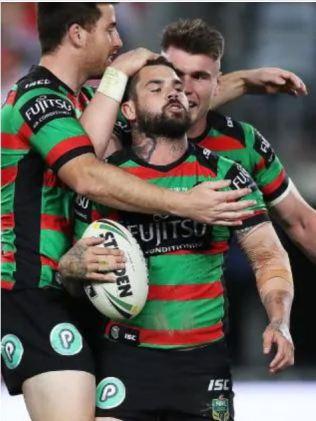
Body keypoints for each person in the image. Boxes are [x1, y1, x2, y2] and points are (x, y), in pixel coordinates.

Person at [1, 6, 256, 421]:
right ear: (78, 34)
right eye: (111, 29)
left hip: (84, 285)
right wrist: (184, 203)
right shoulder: (36, 99)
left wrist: (244, 82)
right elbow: (85, 175)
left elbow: (156, 112)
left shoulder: (84, 100)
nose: (119, 42)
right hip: (34, 288)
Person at [60, 58, 294, 420]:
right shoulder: (106, 182)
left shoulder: (225, 175)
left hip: (203, 363)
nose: (175, 92)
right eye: (156, 87)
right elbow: (76, 279)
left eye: (179, 89)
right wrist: (71, 268)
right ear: (129, 110)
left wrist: (279, 320)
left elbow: (267, 257)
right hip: (126, 361)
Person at [89, 18, 315, 263]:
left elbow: (302, 223)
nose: (181, 90)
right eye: (174, 74)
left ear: (217, 83)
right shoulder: (122, 130)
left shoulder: (241, 142)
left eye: (199, 76)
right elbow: (81, 173)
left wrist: (241, 82)